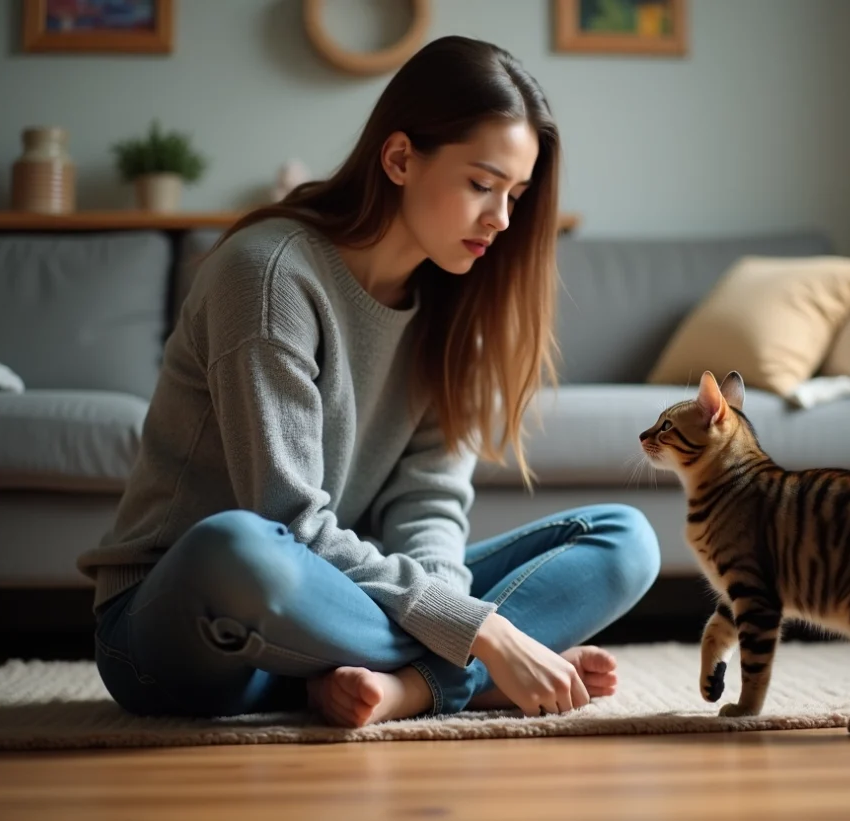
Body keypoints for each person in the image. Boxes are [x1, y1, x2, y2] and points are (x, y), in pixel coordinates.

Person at [77, 35, 660, 727]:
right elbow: (288, 520)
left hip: (336, 607)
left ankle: (402, 688)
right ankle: (458, 678)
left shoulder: (459, 311)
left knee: (624, 539)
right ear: (400, 158)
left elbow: (429, 508)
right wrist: (487, 633)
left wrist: (459, 615)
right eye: (482, 185)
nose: (502, 219)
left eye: (516, 195)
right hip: (181, 624)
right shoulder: (268, 276)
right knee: (235, 548)